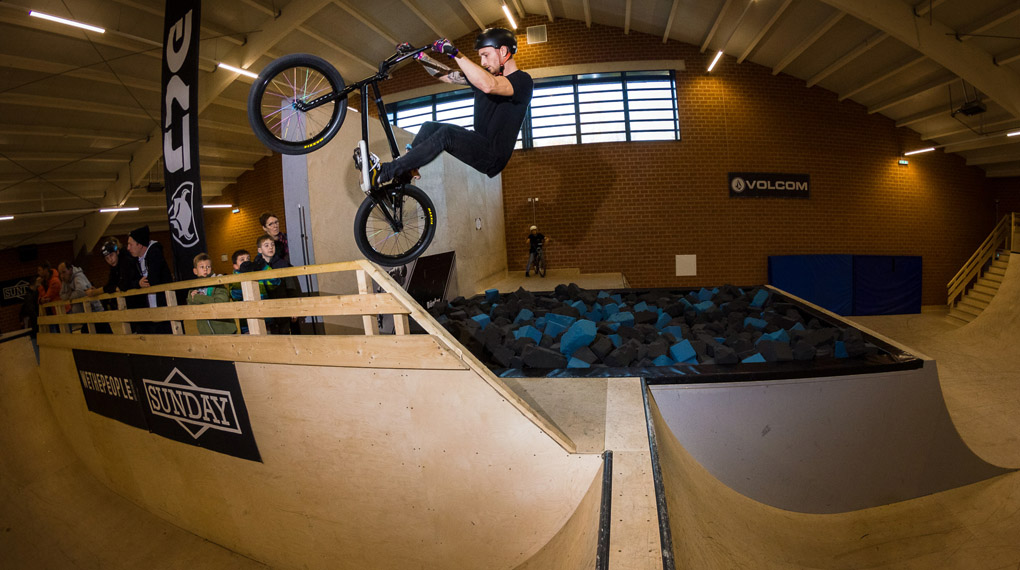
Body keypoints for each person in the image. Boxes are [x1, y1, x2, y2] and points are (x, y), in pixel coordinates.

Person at [363, 28, 533, 187]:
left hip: (493, 155)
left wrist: (456, 53)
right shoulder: (485, 77)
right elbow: (447, 75)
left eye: (486, 55)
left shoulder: (522, 82)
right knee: (430, 127)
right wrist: (419, 56)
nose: (483, 62)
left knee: (447, 135)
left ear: (503, 51)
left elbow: (489, 85)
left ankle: (385, 172)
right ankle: (400, 185)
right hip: (477, 142)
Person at [86, 237, 147, 332]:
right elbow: (111, 284)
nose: (110, 260)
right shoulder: (115, 266)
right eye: (107, 258)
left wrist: (96, 292)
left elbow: (123, 285)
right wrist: (113, 287)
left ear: (117, 252)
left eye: (111, 255)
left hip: (140, 303)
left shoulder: (126, 260)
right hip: (131, 305)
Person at [125, 225, 173, 334]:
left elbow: (153, 280)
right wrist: (138, 283)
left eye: (130, 244)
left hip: (164, 308)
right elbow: (126, 282)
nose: (128, 248)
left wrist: (139, 282)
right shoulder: (134, 260)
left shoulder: (155, 253)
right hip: (150, 312)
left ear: (140, 245)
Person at [253, 234, 300, 334]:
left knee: (284, 336)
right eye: (266, 245)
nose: (270, 247)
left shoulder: (282, 264)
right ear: (260, 250)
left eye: (272, 245)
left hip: (282, 308)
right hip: (265, 311)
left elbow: (290, 287)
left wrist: (294, 308)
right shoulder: (255, 267)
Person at [187, 253, 237, 335]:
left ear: (212, 268)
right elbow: (190, 307)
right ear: (195, 271)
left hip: (225, 330)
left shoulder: (217, 284)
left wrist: (199, 297)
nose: (205, 269)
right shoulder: (193, 289)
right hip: (206, 333)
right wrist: (194, 297)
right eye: (201, 267)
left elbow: (221, 302)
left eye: (208, 266)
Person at [57, 261, 108, 333]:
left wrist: (68, 295)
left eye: (64, 272)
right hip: (86, 316)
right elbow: (62, 295)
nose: (62, 276)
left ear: (70, 270)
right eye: (60, 273)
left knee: (106, 338)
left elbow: (80, 292)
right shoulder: (65, 280)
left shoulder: (78, 277)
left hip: (96, 314)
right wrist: (71, 295)